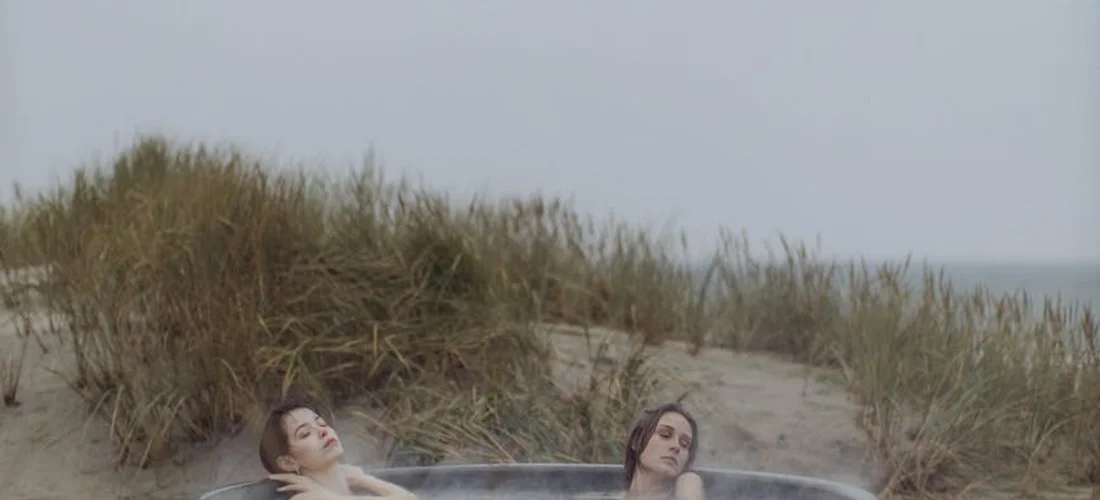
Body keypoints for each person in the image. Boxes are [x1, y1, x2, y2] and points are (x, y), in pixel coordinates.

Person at [258, 398, 419, 500]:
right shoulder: (307, 498)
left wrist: (365, 480)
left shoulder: (354, 485)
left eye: (322, 423)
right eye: (305, 434)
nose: (322, 431)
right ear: (288, 462)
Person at [621, 402, 705, 500]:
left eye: (684, 444)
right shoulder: (611, 495)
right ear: (636, 440)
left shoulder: (688, 485)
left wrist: (690, 486)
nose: (676, 446)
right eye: (665, 435)